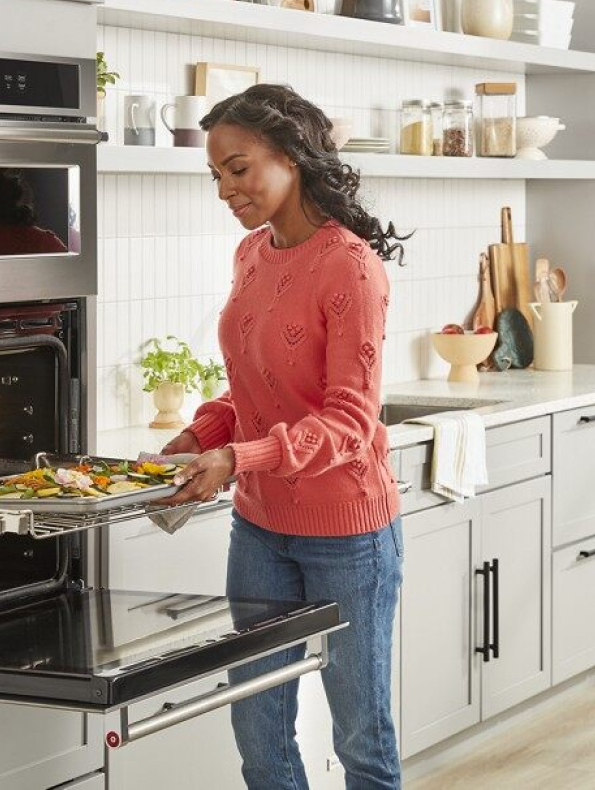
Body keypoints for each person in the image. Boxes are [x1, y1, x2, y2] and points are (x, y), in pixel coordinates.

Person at [155, 84, 409, 790]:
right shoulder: (251, 255)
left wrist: (239, 456)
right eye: (216, 175)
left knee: (362, 734)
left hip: (347, 534)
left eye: (237, 169)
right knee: (260, 733)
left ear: (292, 156)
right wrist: (202, 433)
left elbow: (351, 422)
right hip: (260, 527)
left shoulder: (351, 266)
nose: (224, 189)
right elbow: (253, 388)